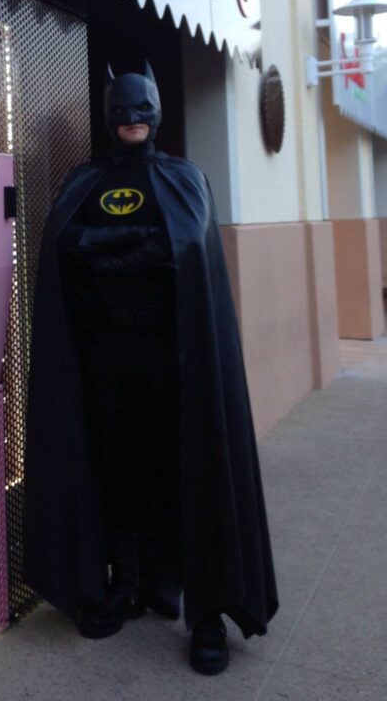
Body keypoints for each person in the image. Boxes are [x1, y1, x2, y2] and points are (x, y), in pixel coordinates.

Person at [23, 63, 278, 675]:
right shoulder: (85, 179)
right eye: (122, 108)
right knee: (118, 471)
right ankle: (128, 582)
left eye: (142, 109)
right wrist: (114, 247)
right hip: (107, 357)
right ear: (108, 110)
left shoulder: (184, 178)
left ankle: (207, 610)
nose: (131, 120)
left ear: (156, 109)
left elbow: (181, 247)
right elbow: (62, 242)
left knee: (190, 470)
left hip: (176, 359)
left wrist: (103, 248)